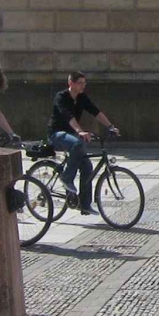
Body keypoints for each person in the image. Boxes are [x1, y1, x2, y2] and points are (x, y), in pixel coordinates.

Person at [50, 71, 119, 216]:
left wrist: (110, 126)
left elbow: (96, 112)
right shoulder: (61, 97)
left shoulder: (82, 98)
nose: (83, 86)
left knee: (87, 166)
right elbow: (68, 116)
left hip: (72, 134)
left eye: (84, 83)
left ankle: (84, 204)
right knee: (77, 143)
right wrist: (80, 131)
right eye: (80, 83)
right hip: (57, 134)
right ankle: (66, 178)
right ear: (71, 83)